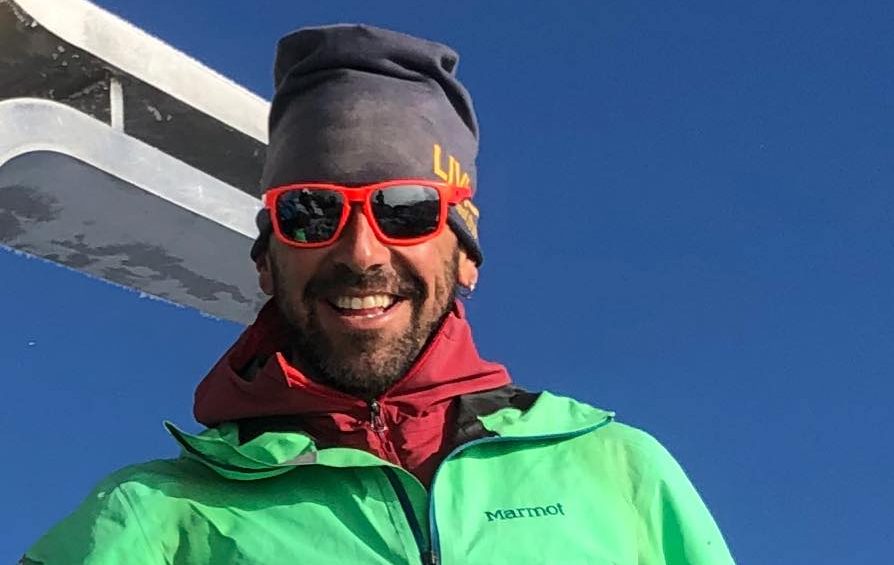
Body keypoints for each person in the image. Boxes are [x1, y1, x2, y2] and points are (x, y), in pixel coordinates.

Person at [23, 24, 734, 564]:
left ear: (466, 254)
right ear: (266, 262)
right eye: (311, 213)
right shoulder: (155, 515)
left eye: (406, 211)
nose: (361, 253)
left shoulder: (619, 473)